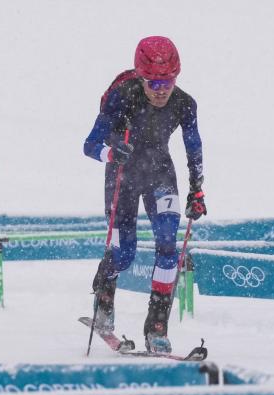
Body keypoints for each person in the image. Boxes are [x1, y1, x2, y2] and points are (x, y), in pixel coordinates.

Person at [83, 36, 206, 353]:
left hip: (160, 172)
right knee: (124, 254)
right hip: (122, 175)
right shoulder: (122, 96)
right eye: (154, 83)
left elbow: (193, 147)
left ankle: (157, 326)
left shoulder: (185, 103)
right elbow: (90, 145)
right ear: (141, 77)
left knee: (168, 244)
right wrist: (111, 153)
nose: (161, 90)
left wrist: (197, 189)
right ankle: (104, 296)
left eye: (168, 82)